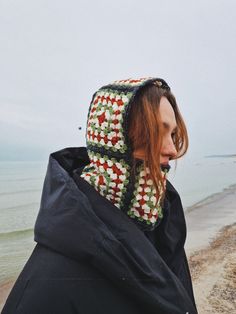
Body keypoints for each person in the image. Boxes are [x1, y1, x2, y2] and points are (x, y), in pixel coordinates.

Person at [2, 77, 198, 314]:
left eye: (173, 134)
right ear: (116, 140)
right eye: (157, 133)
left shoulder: (162, 226)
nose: (173, 150)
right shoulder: (48, 283)